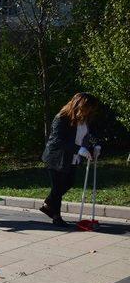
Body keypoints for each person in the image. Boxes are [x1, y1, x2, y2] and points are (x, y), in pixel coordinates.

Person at [41, 92, 101, 227]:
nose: (90, 110)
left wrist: (96, 145)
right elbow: (58, 141)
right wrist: (79, 149)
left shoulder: (85, 119)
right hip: (57, 158)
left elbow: (90, 134)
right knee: (57, 188)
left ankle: (48, 205)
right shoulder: (62, 118)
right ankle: (56, 217)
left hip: (73, 158)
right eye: (88, 107)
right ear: (80, 105)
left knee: (69, 183)